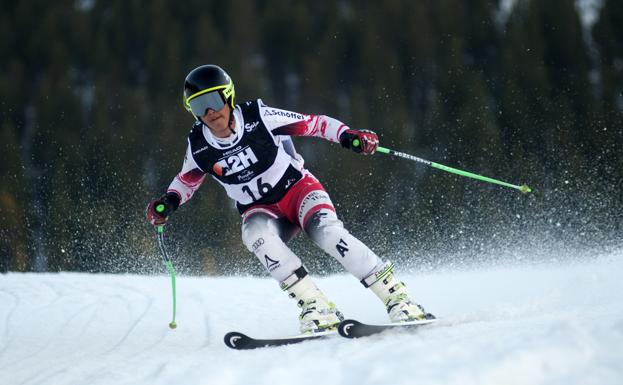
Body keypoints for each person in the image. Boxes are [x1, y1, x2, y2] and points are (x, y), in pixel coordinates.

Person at [147, 64, 434, 333]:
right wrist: (168, 202)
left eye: (213, 100)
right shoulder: (198, 145)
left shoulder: (259, 117)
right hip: (259, 209)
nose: (209, 111)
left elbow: (315, 124)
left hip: (297, 191)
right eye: (198, 105)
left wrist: (349, 137)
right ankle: (316, 306)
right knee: (255, 236)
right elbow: (186, 180)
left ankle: (398, 298)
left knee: (328, 234)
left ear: (228, 96)